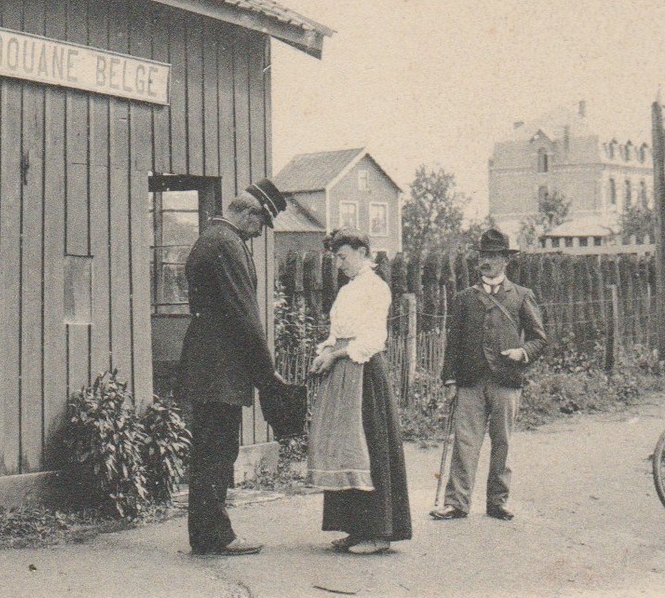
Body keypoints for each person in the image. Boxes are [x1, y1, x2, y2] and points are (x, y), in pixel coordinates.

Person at [178, 178, 287, 556]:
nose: (259, 234)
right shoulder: (227, 244)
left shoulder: (212, 238)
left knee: (211, 449)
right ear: (248, 214)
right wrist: (267, 373)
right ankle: (215, 536)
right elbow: (245, 313)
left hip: (210, 363)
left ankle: (206, 534)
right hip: (220, 366)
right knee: (217, 451)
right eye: (261, 224)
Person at [306, 229, 413, 555]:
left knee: (370, 447)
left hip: (364, 373)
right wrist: (325, 350)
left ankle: (379, 533)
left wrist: (336, 354)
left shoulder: (376, 288)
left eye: (344, 257)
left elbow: (372, 339)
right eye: (336, 258)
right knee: (344, 448)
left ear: (363, 251)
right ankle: (355, 529)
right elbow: (336, 333)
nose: (339, 264)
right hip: (342, 374)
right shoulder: (347, 290)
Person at [430, 227, 548, 522]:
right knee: (465, 443)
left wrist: (522, 353)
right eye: (484, 255)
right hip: (470, 381)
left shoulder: (521, 296)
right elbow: (453, 343)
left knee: (502, 443)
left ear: (505, 261)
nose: (487, 261)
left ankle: (498, 502)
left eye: (494, 256)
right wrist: (450, 380)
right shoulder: (464, 298)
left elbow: (539, 339)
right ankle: (456, 503)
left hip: (507, 381)